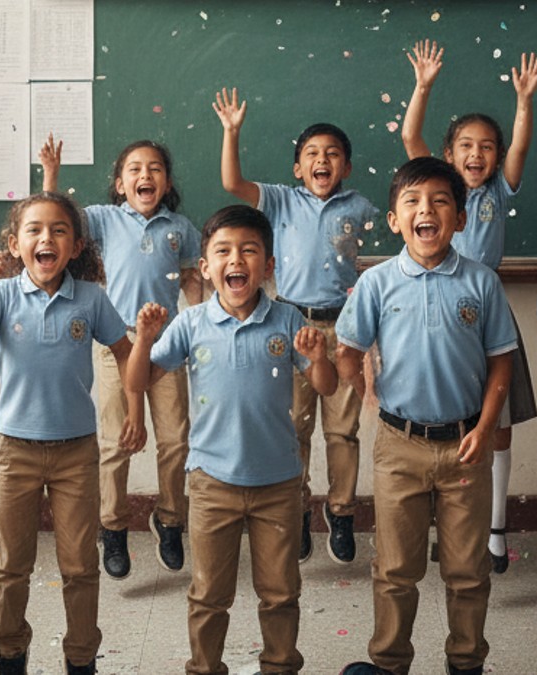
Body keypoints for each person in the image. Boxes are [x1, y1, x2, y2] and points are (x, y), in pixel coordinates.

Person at [125, 204, 337, 675]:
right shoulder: (190, 323)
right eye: (223, 251)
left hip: (278, 482)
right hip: (211, 482)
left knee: (280, 592)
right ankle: (205, 667)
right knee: (208, 594)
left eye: (249, 250)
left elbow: (326, 386)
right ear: (205, 267)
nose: (236, 259)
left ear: (269, 265)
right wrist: (143, 339)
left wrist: (320, 359)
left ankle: (279, 665)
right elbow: (138, 381)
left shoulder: (288, 320)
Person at [0, 191, 140, 675]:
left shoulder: (91, 298)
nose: (46, 238)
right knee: (12, 565)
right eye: (34, 230)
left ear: (76, 246)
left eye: (59, 230)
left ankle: (81, 657)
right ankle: (10, 651)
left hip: (76, 452)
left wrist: (134, 410)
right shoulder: (2, 294)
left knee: (80, 566)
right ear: (15, 244)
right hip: (15, 451)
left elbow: (124, 353)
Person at [337, 157, 515, 675]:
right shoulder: (376, 283)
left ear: (460, 218)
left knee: (468, 570)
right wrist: (364, 388)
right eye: (412, 201)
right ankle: (390, 662)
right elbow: (348, 351)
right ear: (395, 220)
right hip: (400, 445)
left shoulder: (482, 283)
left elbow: (501, 364)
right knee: (395, 568)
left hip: (466, 444)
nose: (426, 210)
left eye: (440, 201)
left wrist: (486, 428)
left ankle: (466, 661)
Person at [212, 87, 378, 565]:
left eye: (333, 154)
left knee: (342, 431)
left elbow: (391, 253)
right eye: (312, 154)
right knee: (293, 427)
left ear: (347, 167)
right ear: (297, 169)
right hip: (290, 325)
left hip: (343, 327)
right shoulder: (281, 201)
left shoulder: (361, 208)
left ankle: (341, 511)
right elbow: (232, 183)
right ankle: (298, 509)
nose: (322, 161)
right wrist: (231, 132)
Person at [401, 39, 537, 573]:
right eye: (465, 145)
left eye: (486, 147)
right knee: (443, 417)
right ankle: (446, 525)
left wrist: (524, 102)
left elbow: (521, 148)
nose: (476, 155)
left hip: (487, 310)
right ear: (448, 154)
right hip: (437, 310)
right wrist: (423, 86)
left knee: (496, 422)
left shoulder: (497, 193)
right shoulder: (438, 191)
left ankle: (495, 528)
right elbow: (410, 137)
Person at [41, 135, 203, 576]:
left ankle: (170, 519)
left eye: (154, 169)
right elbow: (56, 218)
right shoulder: (103, 219)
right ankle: (112, 527)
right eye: (134, 169)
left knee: (175, 440)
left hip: (167, 345)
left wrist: (200, 318)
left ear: (167, 183)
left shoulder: (180, 228)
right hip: (117, 341)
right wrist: (52, 175)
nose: (144, 175)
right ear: (119, 184)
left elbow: (192, 276)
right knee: (116, 441)